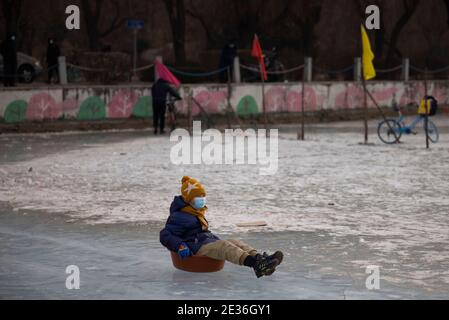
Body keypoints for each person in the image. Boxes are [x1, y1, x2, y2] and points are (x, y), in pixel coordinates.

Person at [160, 176, 284, 278]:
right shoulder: (179, 216)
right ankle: (256, 265)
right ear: (189, 200)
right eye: (199, 197)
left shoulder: (195, 212)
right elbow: (165, 235)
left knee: (233, 241)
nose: (202, 200)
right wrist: (180, 245)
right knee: (224, 246)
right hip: (194, 247)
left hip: (204, 242)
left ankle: (259, 259)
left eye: (203, 196)